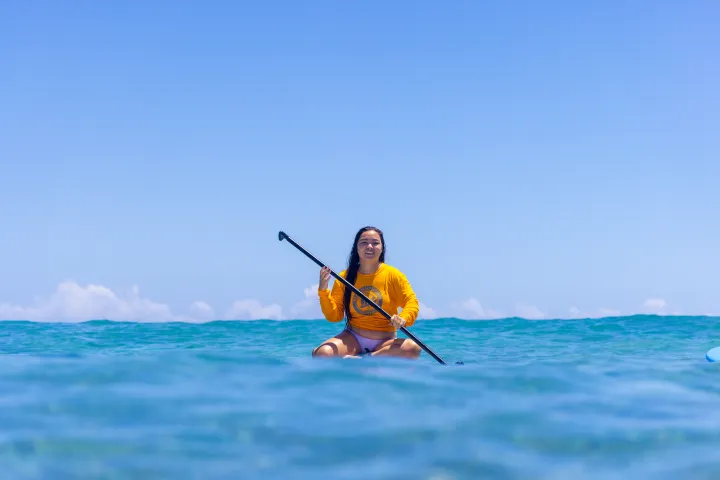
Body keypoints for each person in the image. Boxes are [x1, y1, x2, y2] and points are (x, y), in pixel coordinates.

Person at [312, 226, 422, 360]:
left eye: (375, 243)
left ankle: (365, 359)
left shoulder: (394, 275)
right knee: (323, 354)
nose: (369, 246)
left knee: (413, 348)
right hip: (353, 339)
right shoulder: (344, 277)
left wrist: (403, 318)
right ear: (356, 247)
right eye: (364, 242)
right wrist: (323, 291)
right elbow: (334, 316)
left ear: (382, 248)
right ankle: (351, 356)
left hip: (385, 342)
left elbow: (412, 302)